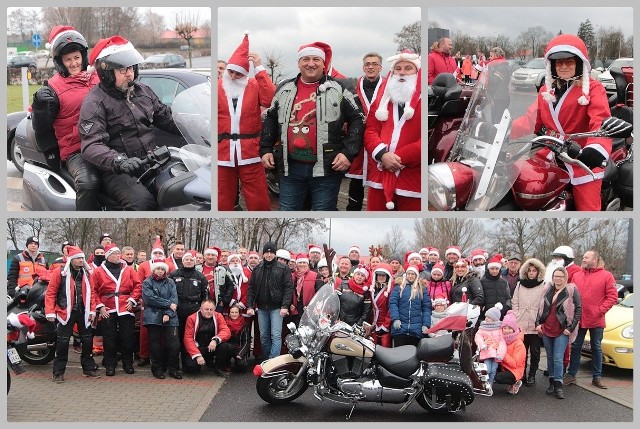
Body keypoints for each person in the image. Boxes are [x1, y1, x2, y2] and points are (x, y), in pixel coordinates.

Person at [79, 35, 182, 210]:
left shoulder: (143, 91)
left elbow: (166, 118)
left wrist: (199, 127)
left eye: (131, 68)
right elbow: (90, 145)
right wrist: (119, 161)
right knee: (143, 204)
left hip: (151, 160)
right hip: (117, 171)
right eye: (122, 70)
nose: (129, 73)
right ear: (106, 73)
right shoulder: (94, 102)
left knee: (179, 191)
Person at [259, 41, 365, 211]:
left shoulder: (340, 87)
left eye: (316, 59)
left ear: (324, 63)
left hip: (327, 169)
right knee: (287, 213)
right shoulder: (284, 88)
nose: (310, 63)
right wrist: (265, 149)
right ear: (298, 63)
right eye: (305, 59)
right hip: (289, 168)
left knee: (323, 213)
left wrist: (348, 153)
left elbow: (359, 119)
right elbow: (271, 118)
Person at [511, 34, 612, 210]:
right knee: (522, 185)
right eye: (559, 62)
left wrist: (595, 149)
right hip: (550, 153)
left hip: (581, 158)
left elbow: (601, 122)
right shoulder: (546, 90)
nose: (564, 66)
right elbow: (530, 120)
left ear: (579, 63)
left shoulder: (594, 89)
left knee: (588, 209)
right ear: (552, 66)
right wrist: (501, 131)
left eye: (569, 62)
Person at [31, 26, 102, 210]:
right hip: (75, 150)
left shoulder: (97, 79)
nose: (73, 63)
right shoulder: (53, 87)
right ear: (60, 62)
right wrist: (39, 105)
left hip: (103, 143)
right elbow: (42, 126)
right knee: (88, 183)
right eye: (67, 59)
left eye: (76, 57)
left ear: (83, 57)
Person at [218, 33, 275, 211]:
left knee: (258, 199)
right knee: (222, 199)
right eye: (231, 72)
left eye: (238, 73)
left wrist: (259, 67)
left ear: (245, 74)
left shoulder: (254, 85)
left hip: (250, 152)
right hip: (223, 153)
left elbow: (270, 98)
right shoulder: (217, 87)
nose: (233, 76)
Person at [364, 50, 421, 211]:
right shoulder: (382, 100)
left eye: (408, 68)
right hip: (379, 178)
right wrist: (382, 155)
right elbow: (370, 129)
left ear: (417, 72)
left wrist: (399, 158)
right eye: (398, 68)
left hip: (412, 181)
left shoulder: (426, 101)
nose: (402, 72)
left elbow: (428, 139)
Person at [45, 245, 99, 382]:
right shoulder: (60, 272)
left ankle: (88, 368)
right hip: (65, 311)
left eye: (83, 258)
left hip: (84, 311)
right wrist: (50, 311)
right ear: (72, 259)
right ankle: (58, 372)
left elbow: (92, 293)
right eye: (79, 258)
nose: (82, 260)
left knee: (87, 341)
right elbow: (51, 293)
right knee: (62, 342)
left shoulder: (86, 273)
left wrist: (92, 310)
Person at [564, 250, 617, 389]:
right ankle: (571, 375)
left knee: (596, 347)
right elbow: (571, 296)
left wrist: (599, 311)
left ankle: (597, 377)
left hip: (596, 319)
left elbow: (612, 297)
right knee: (575, 346)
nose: (583, 259)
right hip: (579, 318)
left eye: (586, 257)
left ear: (595, 259)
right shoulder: (577, 275)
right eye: (583, 257)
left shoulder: (607, 276)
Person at [91, 244, 142, 376]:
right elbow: (93, 291)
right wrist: (100, 306)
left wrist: (132, 300)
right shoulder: (98, 271)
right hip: (108, 308)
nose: (118, 256)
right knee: (109, 338)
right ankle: (110, 364)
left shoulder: (129, 270)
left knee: (128, 337)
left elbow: (137, 286)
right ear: (108, 256)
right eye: (115, 254)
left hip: (126, 307)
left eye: (119, 253)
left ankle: (128, 363)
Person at [346, 52, 386, 211]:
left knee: (380, 179)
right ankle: (352, 209)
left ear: (380, 67)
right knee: (356, 180)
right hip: (358, 141)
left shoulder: (388, 88)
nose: (370, 67)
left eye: (374, 64)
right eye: (367, 64)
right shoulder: (354, 89)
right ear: (363, 67)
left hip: (379, 140)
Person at [536, 266, 582, 399]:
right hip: (547, 328)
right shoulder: (547, 289)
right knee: (550, 357)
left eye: (561, 276)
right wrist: (538, 323)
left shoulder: (571, 290)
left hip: (562, 330)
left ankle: (558, 385)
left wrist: (571, 328)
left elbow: (578, 309)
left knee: (558, 358)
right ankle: (551, 382)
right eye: (555, 276)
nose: (558, 278)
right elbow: (540, 308)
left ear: (565, 277)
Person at [246, 241, 294, 359]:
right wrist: (250, 306)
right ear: (263, 254)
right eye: (266, 253)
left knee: (276, 335)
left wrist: (284, 306)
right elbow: (251, 289)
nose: (269, 255)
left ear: (275, 254)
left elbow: (288, 288)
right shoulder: (257, 269)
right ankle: (267, 359)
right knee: (264, 336)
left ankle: (273, 362)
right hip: (262, 307)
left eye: (271, 253)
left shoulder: (283, 268)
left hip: (277, 308)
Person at [142, 257, 181, 379]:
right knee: (156, 345)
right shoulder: (147, 282)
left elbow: (174, 300)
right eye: (158, 268)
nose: (160, 271)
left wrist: (168, 313)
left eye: (162, 269)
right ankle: (157, 369)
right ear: (154, 270)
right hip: (153, 317)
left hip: (171, 316)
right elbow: (149, 299)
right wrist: (168, 304)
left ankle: (173, 369)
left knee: (173, 344)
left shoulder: (170, 282)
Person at [169, 250, 209, 368]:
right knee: (177, 337)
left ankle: (190, 360)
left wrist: (203, 310)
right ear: (182, 261)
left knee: (191, 336)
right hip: (177, 311)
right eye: (187, 259)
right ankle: (175, 363)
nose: (189, 261)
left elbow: (205, 294)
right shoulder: (174, 274)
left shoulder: (200, 276)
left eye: (191, 260)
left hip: (194, 311)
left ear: (195, 261)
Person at [511, 257, 546, 386]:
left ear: (538, 272)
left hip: (535, 323)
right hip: (521, 322)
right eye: (529, 270)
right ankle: (522, 374)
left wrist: (540, 319)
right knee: (522, 351)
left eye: (534, 271)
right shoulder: (520, 284)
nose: (531, 273)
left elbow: (544, 304)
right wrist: (516, 315)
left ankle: (532, 375)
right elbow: (515, 301)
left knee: (535, 352)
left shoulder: (543, 285)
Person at [183, 299, 234, 377]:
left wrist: (216, 340)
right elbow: (188, 339)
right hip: (199, 347)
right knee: (192, 368)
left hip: (213, 346)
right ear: (200, 309)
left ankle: (219, 368)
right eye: (206, 309)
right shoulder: (192, 318)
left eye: (211, 309)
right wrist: (197, 355)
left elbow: (226, 331)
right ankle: (205, 361)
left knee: (226, 347)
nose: (209, 311)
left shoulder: (218, 316)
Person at [389, 266, 431, 347]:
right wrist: (395, 319)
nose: (410, 276)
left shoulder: (422, 288)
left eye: (413, 274)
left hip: (416, 329)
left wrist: (426, 324)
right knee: (399, 354)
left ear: (416, 275)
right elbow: (393, 303)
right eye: (409, 274)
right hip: (400, 328)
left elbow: (426, 308)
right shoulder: (399, 287)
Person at [474, 303, 507, 395]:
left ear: (494, 319)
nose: (486, 319)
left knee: (493, 370)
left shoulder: (499, 329)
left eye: (489, 317)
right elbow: (478, 337)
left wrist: (500, 353)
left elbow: (502, 342)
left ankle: (490, 385)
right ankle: (484, 384)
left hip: (496, 354)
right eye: (486, 317)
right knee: (487, 369)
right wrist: (483, 344)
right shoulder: (482, 328)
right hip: (487, 352)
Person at [494, 310, 526, 395]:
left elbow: (515, 363)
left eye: (509, 328)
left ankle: (515, 381)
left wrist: (502, 352)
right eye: (504, 328)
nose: (506, 330)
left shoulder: (519, 344)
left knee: (498, 378)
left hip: (515, 370)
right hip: (503, 366)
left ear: (514, 329)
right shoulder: (501, 339)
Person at [480, 254, 511, 320]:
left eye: (497, 269)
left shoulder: (504, 282)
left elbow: (508, 297)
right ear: (488, 269)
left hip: (501, 314)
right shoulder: (482, 281)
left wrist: (506, 307)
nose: (494, 271)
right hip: (486, 315)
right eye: (492, 269)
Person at [370, 264, 394, 347]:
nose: (381, 277)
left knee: (385, 346)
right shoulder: (372, 288)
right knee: (372, 346)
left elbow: (391, 309)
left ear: (387, 277)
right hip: (373, 322)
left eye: (383, 275)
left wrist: (385, 325)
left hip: (384, 322)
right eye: (379, 275)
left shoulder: (390, 290)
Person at [224, 305, 251, 372]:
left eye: (236, 312)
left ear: (239, 314)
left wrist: (241, 354)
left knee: (242, 366)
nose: (234, 314)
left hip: (240, 348)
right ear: (229, 314)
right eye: (232, 312)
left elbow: (247, 342)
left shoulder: (244, 325)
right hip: (228, 347)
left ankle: (236, 365)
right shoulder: (224, 323)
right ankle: (227, 363)